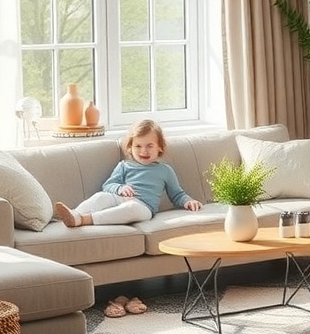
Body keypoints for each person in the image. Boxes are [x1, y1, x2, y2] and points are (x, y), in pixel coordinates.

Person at [53, 118, 202, 317]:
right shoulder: (124, 166)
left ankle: (84, 220)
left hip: (143, 207)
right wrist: (120, 188)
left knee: (131, 208)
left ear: (160, 148)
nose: (144, 151)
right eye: (138, 146)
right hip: (119, 198)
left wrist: (188, 201)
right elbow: (108, 185)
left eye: (149, 146)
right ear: (130, 148)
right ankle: (75, 214)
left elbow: (177, 193)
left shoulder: (165, 170)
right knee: (101, 197)